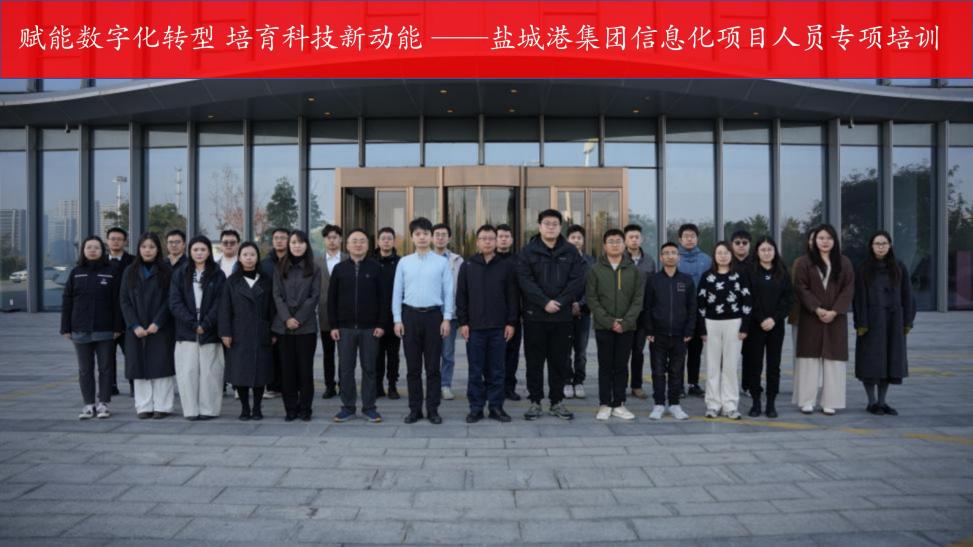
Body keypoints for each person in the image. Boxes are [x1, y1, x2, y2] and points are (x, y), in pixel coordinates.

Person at [517, 209, 585, 421]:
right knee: (534, 362)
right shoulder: (528, 252)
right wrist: (544, 302)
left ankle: (557, 402)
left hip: (562, 317)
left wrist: (561, 302)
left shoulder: (570, 251)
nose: (551, 227)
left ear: (560, 227)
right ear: (539, 226)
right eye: (546, 223)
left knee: (560, 362)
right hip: (535, 316)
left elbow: (577, 280)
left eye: (555, 224)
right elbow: (525, 281)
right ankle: (535, 402)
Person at [392, 217, 453, 425]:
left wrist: (447, 319)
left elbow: (449, 292)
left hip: (434, 317)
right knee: (413, 368)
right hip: (409, 317)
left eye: (426, 233)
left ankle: (433, 409)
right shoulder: (404, 262)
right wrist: (397, 319)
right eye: (417, 234)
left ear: (431, 237)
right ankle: (415, 409)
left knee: (433, 367)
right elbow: (397, 293)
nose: (422, 237)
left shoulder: (442, 262)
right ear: (412, 237)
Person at [456, 224, 518, 424]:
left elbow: (512, 297)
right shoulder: (467, 265)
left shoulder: (506, 266)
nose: (488, 242)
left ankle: (496, 407)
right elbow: (461, 296)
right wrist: (463, 323)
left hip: (499, 328)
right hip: (474, 329)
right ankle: (476, 408)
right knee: (475, 370)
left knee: (497, 370)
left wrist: (511, 323)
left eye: (491, 238)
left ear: (496, 240)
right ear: (477, 242)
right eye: (484, 238)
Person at [793, 224, 855, 416]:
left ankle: (831, 402)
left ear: (834, 240)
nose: (825, 242)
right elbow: (801, 287)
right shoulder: (804, 262)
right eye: (821, 238)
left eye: (829, 238)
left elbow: (848, 288)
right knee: (808, 359)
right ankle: (807, 401)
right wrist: (817, 308)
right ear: (814, 241)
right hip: (811, 316)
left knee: (834, 360)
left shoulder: (844, 262)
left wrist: (835, 311)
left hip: (835, 318)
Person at [60, 235, 123, 419]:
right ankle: (88, 404)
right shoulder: (76, 272)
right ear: (83, 251)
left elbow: (117, 301)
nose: (93, 250)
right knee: (85, 369)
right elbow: (67, 300)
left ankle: (103, 403)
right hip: (80, 329)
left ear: (102, 251)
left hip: (105, 329)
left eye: (96, 247)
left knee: (106, 368)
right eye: (89, 247)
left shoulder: (111, 272)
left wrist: (118, 327)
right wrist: (65, 327)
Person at [853, 231, 916, 416]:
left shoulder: (899, 267)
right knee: (871, 362)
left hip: (893, 322)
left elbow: (907, 294)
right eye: (877, 243)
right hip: (871, 323)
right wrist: (861, 322)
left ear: (890, 246)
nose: (880, 247)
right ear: (871, 246)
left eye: (884, 243)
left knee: (889, 361)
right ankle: (871, 402)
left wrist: (907, 321)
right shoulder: (864, 269)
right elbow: (859, 297)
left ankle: (882, 402)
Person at [329, 229, 388, 423]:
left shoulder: (376, 268)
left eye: (362, 241)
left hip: (370, 328)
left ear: (368, 245)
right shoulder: (339, 269)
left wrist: (381, 324)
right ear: (347, 245)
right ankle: (347, 407)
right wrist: (334, 326)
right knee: (345, 368)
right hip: (344, 328)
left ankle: (369, 407)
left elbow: (384, 299)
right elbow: (331, 299)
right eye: (354, 241)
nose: (358, 244)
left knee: (369, 368)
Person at [587, 229, 644, 421]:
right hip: (604, 326)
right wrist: (609, 321)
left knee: (621, 366)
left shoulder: (633, 270)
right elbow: (592, 299)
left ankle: (619, 403)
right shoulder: (595, 269)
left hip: (627, 327)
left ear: (623, 244)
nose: (615, 244)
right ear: (604, 246)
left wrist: (625, 322)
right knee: (605, 366)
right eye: (610, 241)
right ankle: (604, 404)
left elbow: (638, 299)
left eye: (618, 241)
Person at [169, 235, 226, 421]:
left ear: (209, 252)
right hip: (186, 330)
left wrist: (206, 323)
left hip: (210, 329)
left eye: (203, 249)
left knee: (210, 372)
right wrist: (193, 324)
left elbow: (221, 302)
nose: (199, 253)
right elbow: (175, 302)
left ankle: (209, 409)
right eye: (195, 250)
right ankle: (191, 410)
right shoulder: (180, 273)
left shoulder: (217, 273)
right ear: (190, 251)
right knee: (187, 372)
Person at [119, 232, 176, 419]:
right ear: (138, 249)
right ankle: (143, 406)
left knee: (161, 367)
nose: (147, 250)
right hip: (136, 329)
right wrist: (134, 325)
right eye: (144, 247)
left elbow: (170, 300)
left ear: (158, 249)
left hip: (161, 327)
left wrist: (158, 322)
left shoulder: (167, 271)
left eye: (151, 247)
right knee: (139, 367)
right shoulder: (130, 271)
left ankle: (163, 406)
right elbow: (124, 300)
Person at [220, 242, 276, 421]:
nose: (249, 258)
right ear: (239, 257)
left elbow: (272, 308)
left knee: (260, 373)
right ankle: (245, 408)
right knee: (240, 372)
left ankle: (257, 408)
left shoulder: (266, 280)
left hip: (261, 331)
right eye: (245, 255)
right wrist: (225, 332)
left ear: (257, 257)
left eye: (252, 254)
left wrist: (273, 331)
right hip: (239, 332)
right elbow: (224, 309)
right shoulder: (231, 281)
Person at [697, 241, 752, 420]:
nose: (723, 256)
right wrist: (702, 329)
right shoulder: (707, 276)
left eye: (726, 253)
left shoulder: (739, 276)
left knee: (731, 366)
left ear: (731, 255)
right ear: (714, 256)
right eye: (719, 253)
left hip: (734, 323)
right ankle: (713, 404)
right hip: (711, 323)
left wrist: (744, 327)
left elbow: (747, 301)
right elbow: (700, 303)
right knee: (712, 366)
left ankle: (730, 405)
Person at [742, 236, 793, 418]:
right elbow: (747, 298)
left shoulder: (782, 272)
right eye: (763, 249)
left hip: (775, 326)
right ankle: (756, 402)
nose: (766, 253)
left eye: (769, 249)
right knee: (754, 364)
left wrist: (774, 318)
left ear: (775, 251)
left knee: (774, 366)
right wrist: (761, 318)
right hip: (755, 325)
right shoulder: (749, 271)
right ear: (757, 252)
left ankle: (771, 403)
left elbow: (788, 299)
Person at [643, 242, 696, 421]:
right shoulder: (653, 280)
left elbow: (692, 308)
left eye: (673, 253)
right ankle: (658, 404)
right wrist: (649, 330)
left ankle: (674, 404)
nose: (670, 256)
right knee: (658, 371)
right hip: (658, 334)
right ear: (661, 257)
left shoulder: (687, 280)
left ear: (678, 257)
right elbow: (647, 307)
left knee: (677, 371)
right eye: (666, 253)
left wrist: (689, 330)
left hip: (680, 335)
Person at [273, 230, 321, 422]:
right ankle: (290, 408)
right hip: (284, 327)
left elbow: (314, 296)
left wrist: (298, 318)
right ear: (289, 245)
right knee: (287, 370)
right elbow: (277, 295)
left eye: (300, 242)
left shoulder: (314, 268)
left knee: (305, 369)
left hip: (306, 327)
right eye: (293, 242)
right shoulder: (279, 267)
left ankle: (305, 408)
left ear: (306, 245)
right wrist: (287, 318)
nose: (297, 246)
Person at [677, 223, 712, 398]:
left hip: (700, 311)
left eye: (692, 236)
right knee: (679, 350)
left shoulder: (707, 259)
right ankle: (678, 385)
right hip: (680, 310)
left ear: (697, 238)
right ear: (680, 239)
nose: (689, 239)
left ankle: (693, 383)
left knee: (696, 350)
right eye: (686, 236)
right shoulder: (674, 258)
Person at [623, 223, 656, 400]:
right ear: (625, 240)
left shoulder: (649, 261)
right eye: (631, 237)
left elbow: (654, 288)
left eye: (637, 237)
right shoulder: (619, 258)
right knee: (622, 351)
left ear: (641, 239)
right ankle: (620, 385)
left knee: (638, 351)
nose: (634, 240)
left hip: (643, 313)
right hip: (624, 312)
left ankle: (636, 386)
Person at [432, 223, 464, 402]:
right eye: (437, 234)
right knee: (430, 353)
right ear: (432, 237)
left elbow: (462, 287)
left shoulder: (457, 260)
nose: (440, 238)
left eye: (444, 235)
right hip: (429, 314)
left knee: (447, 353)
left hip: (450, 315)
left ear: (449, 238)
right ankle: (433, 384)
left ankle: (445, 385)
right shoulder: (424, 258)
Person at [565, 224, 595, 399]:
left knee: (581, 351)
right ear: (567, 240)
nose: (576, 241)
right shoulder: (561, 260)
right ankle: (567, 381)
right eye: (573, 238)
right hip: (564, 312)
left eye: (579, 238)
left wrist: (580, 304)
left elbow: (593, 287)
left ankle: (579, 381)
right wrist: (570, 304)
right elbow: (559, 285)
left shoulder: (591, 262)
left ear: (583, 241)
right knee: (564, 350)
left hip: (584, 312)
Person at [260, 227, 290, 399]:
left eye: (283, 237)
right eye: (276, 238)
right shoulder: (265, 264)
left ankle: (289, 386)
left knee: (288, 353)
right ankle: (272, 386)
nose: (279, 241)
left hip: (290, 312)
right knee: (271, 352)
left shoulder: (294, 261)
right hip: (270, 312)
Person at [372, 227, 401, 399]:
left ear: (394, 241)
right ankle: (377, 386)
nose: (386, 241)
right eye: (383, 238)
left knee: (393, 355)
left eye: (389, 238)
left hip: (394, 316)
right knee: (376, 354)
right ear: (378, 241)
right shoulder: (370, 262)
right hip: (375, 316)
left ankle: (392, 386)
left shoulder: (401, 262)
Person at [318, 224, 346, 399]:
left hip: (345, 313)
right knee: (327, 353)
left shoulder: (348, 259)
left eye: (335, 237)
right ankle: (329, 386)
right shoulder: (316, 262)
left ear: (341, 239)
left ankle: (344, 384)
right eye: (329, 237)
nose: (332, 241)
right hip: (324, 313)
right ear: (324, 240)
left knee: (345, 353)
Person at [106, 226, 134, 397]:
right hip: (106, 318)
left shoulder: (133, 261)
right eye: (112, 239)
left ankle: (134, 387)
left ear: (125, 242)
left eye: (119, 239)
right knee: (106, 356)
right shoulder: (100, 261)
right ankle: (110, 386)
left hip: (128, 318)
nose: (116, 242)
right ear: (107, 241)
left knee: (131, 355)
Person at [496, 223, 523, 401]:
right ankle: (494, 387)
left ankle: (509, 388)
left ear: (512, 240)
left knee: (512, 355)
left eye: (507, 236)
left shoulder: (519, 261)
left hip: (514, 316)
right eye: (501, 236)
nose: (504, 239)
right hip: (493, 316)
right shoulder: (488, 260)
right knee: (494, 355)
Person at [730, 229, 754, 396]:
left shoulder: (756, 264)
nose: (741, 246)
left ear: (749, 245)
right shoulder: (727, 262)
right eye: (737, 242)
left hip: (751, 314)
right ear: (732, 245)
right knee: (730, 355)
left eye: (744, 243)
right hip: (730, 315)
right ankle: (728, 387)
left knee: (751, 353)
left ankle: (748, 385)